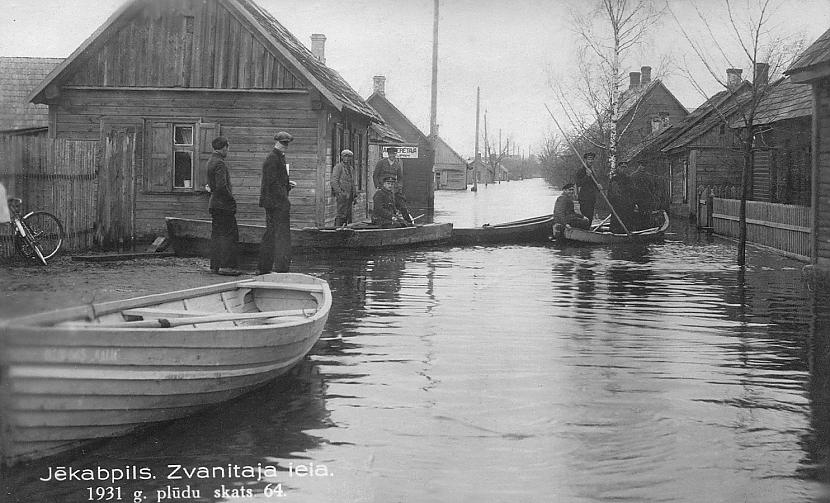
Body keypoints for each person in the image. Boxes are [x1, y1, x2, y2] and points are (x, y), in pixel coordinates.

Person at [258, 131, 295, 275]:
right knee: (276, 235)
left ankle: (271, 267)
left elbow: (277, 181)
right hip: (275, 204)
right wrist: (284, 198)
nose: (285, 146)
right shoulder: (272, 159)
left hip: (277, 202)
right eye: (283, 143)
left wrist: (287, 184)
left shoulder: (278, 157)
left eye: (287, 143)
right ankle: (271, 268)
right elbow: (271, 183)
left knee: (276, 235)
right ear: (277, 143)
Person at [206, 136, 240, 276]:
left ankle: (215, 265)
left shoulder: (210, 161)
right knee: (229, 235)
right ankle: (227, 266)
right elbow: (221, 186)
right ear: (224, 147)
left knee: (217, 235)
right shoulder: (220, 163)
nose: (228, 150)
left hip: (215, 204)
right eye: (227, 147)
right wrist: (231, 199)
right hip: (223, 205)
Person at [607, 162, 639, 234]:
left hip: (627, 206)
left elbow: (633, 192)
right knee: (616, 224)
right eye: (622, 167)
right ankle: (614, 236)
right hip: (617, 206)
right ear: (618, 168)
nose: (623, 169)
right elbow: (610, 193)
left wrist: (633, 203)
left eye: (625, 167)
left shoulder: (629, 179)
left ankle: (626, 235)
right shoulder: (614, 179)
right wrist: (612, 203)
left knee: (627, 223)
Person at [331, 149, 358, 227]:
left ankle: (345, 230)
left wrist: (355, 195)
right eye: (345, 156)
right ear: (342, 157)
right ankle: (337, 230)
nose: (347, 158)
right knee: (341, 214)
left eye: (349, 156)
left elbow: (352, 183)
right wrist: (340, 192)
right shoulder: (338, 167)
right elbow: (334, 181)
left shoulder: (351, 169)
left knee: (347, 215)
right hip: (342, 195)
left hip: (350, 196)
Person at [576, 151, 599, 223]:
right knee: (586, 217)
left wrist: (598, 186)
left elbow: (594, 183)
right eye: (589, 159)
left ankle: (589, 230)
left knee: (590, 217)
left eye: (592, 159)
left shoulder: (593, 170)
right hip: (584, 198)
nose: (591, 161)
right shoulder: (581, 170)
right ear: (585, 160)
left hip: (591, 198)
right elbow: (579, 183)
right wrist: (587, 176)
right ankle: (584, 231)